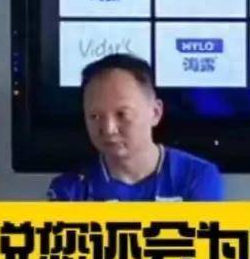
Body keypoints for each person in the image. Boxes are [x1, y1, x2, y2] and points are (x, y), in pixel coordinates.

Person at [47, 53, 222, 201]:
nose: (108, 129)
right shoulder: (70, 189)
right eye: (95, 116)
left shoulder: (196, 176)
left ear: (155, 112)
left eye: (122, 114)